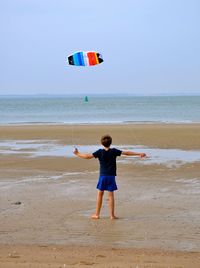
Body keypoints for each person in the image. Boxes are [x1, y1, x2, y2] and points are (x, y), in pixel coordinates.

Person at [73, 134, 146, 220]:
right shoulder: (114, 151)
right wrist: (139, 154)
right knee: (111, 195)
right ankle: (112, 215)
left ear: (101, 143)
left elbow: (87, 157)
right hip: (111, 177)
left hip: (103, 176)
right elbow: (126, 153)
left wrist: (77, 153)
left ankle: (97, 214)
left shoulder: (99, 152)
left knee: (100, 194)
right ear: (110, 143)